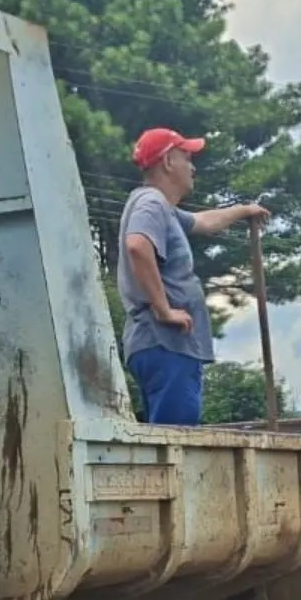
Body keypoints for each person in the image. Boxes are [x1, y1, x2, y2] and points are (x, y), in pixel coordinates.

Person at [116, 127, 270, 425]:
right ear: (167, 162)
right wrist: (164, 310)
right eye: (186, 157)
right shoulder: (152, 202)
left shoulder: (164, 210)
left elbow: (203, 221)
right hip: (166, 344)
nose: (193, 165)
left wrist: (244, 209)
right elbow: (137, 245)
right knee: (175, 444)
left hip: (159, 345)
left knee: (167, 441)